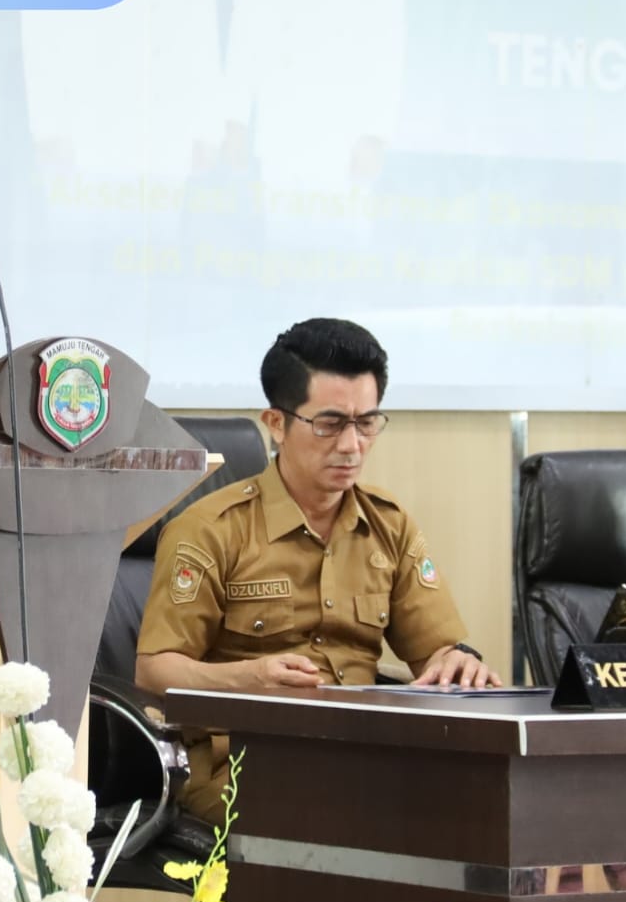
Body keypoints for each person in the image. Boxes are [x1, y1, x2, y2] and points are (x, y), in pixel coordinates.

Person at [135, 318, 500, 822]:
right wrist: (249, 678)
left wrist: (456, 663)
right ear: (276, 423)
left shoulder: (388, 525)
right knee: (374, 814)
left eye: (366, 423)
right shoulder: (210, 530)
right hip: (243, 763)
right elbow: (154, 671)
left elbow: (434, 652)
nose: (351, 445)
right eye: (329, 424)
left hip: (366, 754)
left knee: (492, 803)